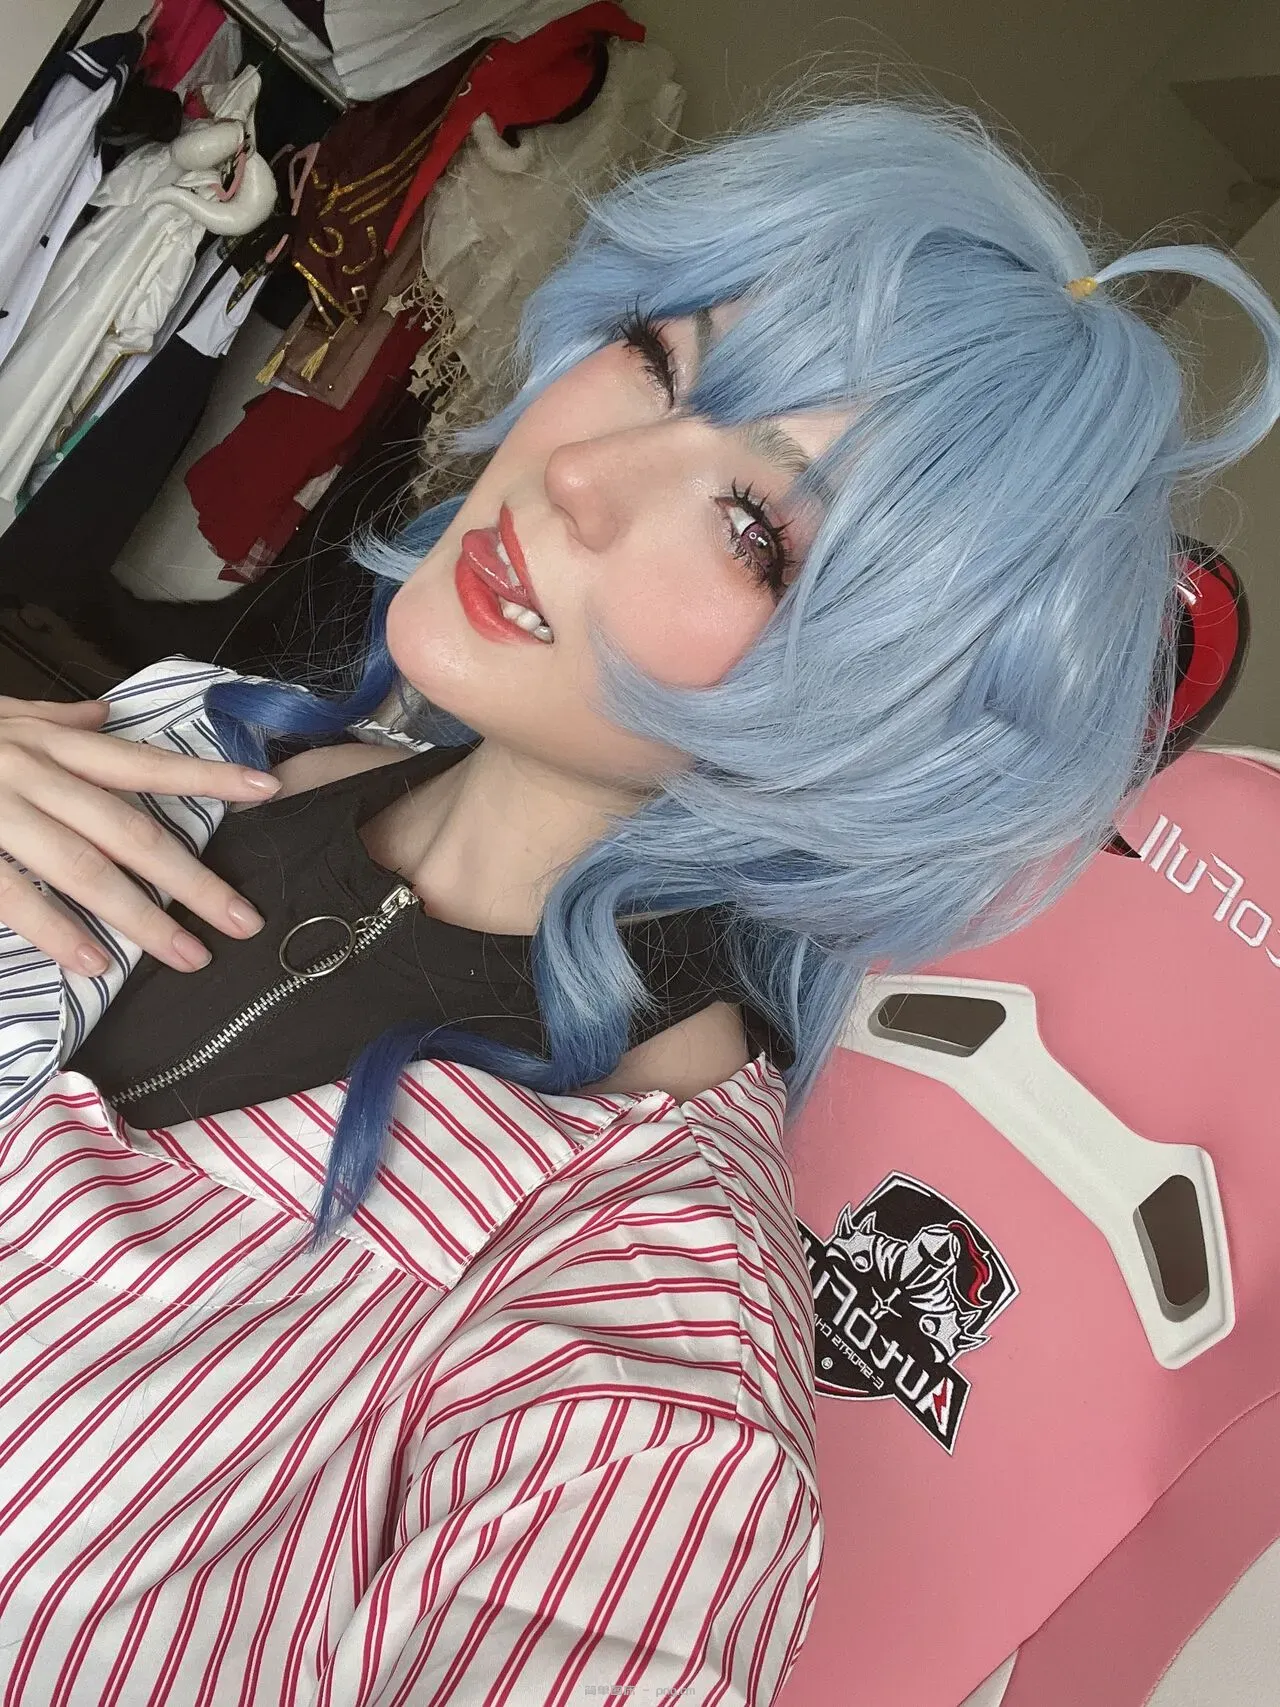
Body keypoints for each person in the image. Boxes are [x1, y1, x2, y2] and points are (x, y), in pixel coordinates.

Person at [0, 94, 1277, 1704]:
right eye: (655, 358)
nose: (582, 477)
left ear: (878, 718)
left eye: (752, 527)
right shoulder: (174, 739)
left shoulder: (647, 1391)